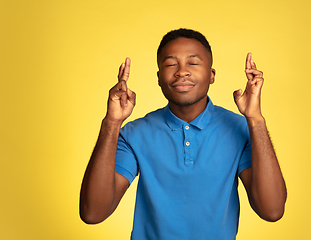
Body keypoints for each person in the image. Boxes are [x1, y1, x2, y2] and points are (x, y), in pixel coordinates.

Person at [80, 28, 287, 240]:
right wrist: (112, 123)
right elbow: (93, 213)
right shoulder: (134, 133)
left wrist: (255, 119)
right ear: (159, 78)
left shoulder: (241, 129)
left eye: (193, 63)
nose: (181, 71)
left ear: (211, 75)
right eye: (171, 64)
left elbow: (271, 210)